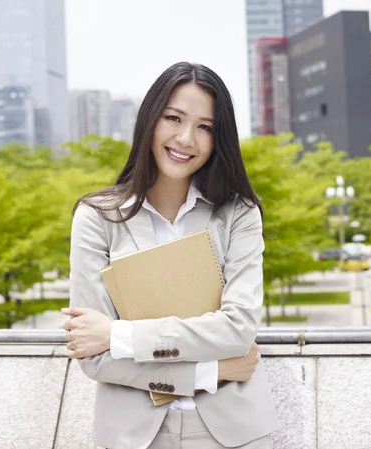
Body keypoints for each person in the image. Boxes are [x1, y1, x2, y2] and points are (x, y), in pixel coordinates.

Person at [61, 61, 278, 449]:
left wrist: (117, 334)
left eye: (205, 127)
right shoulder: (96, 218)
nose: (185, 138)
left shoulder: (238, 213)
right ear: (149, 120)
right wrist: (209, 372)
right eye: (173, 118)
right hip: (132, 436)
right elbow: (92, 357)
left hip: (235, 434)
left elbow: (238, 329)